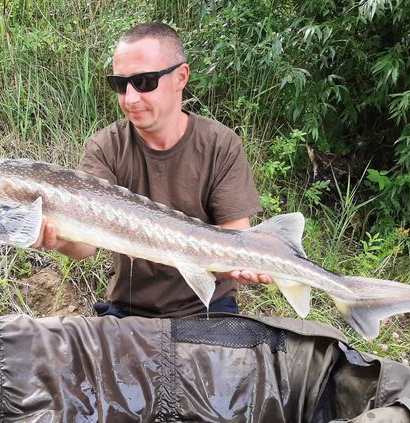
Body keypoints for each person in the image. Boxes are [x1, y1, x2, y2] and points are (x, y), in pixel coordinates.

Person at [32, 22, 272, 318]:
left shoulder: (220, 144)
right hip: (130, 308)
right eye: (120, 84)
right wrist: (59, 240)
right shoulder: (105, 147)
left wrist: (244, 264)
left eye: (144, 82)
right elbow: (85, 247)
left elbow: (236, 236)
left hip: (208, 306)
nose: (130, 99)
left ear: (181, 77)